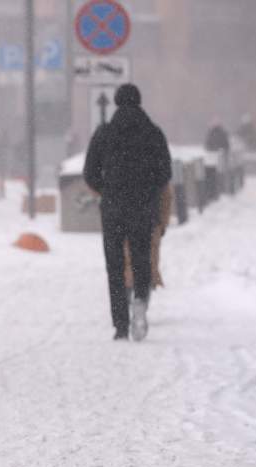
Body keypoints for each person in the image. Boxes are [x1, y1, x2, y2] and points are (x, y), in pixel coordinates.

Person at [83, 83, 172, 341]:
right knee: (141, 259)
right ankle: (141, 301)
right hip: (143, 207)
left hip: (113, 208)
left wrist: (107, 190)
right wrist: (149, 191)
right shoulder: (153, 133)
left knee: (115, 265)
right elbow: (165, 173)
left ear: (117, 102)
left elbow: (89, 172)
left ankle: (121, 325)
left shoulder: (105, 133)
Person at [124, 183, 173, 290]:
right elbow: (167, 197)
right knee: (151, 254)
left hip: (132, 220)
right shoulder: (156, 170)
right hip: (151, 220)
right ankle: (150, 284)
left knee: (131, 254)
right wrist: (163, 223)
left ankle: (136, 284)